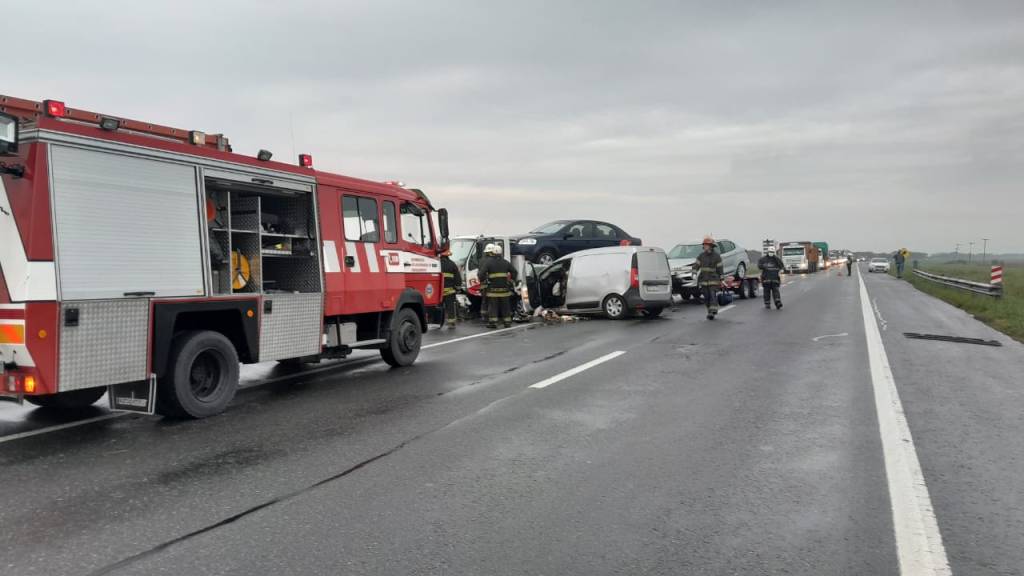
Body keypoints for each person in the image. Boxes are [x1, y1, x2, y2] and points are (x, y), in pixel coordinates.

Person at [478, 244, 518, 328]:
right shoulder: (506, 262)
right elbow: (514, 272)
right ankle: (507, 322)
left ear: (493, 252)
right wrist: (510, 281)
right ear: (501, 253)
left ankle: (493, 323)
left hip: (493, 290)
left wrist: (484, 280)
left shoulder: (489, 263)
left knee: (493, 307)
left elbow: (481, 274)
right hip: (504, 290)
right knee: (505, 306)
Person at [694, 236, 724, 320]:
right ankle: (709, 310)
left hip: (713, 279)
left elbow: (720, 268)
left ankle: (712, 311)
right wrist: (694, 272)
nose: (705, 246)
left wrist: (722, 277)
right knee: (706, 296)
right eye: (704, 245)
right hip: (703, 279)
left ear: (711, 246)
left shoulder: (717, 256)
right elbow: (696, 265)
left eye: (706, 245)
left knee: (712, 294)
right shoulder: (701, 256)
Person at [440, 249, 462, 329]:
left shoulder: (436, 263)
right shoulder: (452, 264)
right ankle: (451, 323)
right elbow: (458, 278)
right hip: (450, 291)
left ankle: (436, 322)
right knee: (450, 308)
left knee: (438, 307)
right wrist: (457, 288)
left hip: (439, 293)